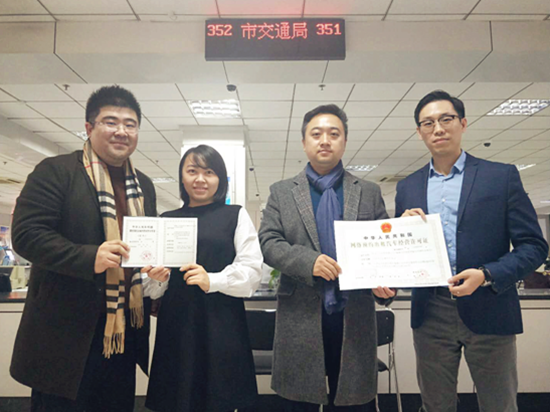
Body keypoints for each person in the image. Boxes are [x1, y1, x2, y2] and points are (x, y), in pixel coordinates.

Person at [395, 90, 548, 412]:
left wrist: (486, 274)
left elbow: (534, 246)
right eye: (428, 123)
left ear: (463, 123)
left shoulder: (500, 177)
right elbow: (404, 255)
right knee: (435, 405)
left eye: (446, 119)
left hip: (489, 304)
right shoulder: (408, 186)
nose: (438, 128)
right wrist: (400, 237)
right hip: (431, 311)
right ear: (419, 132)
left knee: (499, 404)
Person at [10, 85, 158, 411]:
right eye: (111, 122)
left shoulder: (143, 185)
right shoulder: (57, 172)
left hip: (121, 333)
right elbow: (26, 235)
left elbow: (143, 246)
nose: (121, 131)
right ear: (89, 127)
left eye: (130, 124)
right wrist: (91, 257)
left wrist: (154, 270)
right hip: (64, 335)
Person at [258, 104, 395, 412]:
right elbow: (269, 242)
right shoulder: (282, 192)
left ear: (344, 141)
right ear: (304, 142)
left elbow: (384, 247)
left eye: (334, 134)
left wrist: (386, 283)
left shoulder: (368, 191)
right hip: (300, 314)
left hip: (354, 313)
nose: (325, 141)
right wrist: (309, 262)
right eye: (316, 134)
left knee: (353, 401)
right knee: (299, 401)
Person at [143, 144, 262, 412]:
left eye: (209, 172)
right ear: (182, 177)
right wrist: (158, 278)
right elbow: (154, 289)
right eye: (192, 171)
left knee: (219, 395)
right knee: (177, 396)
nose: (200, 179)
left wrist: (213, 280)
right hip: (177, 321)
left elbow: (252, 272)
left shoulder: (235, 215)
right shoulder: (167, 219)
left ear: (220, 179)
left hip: (222, 321)